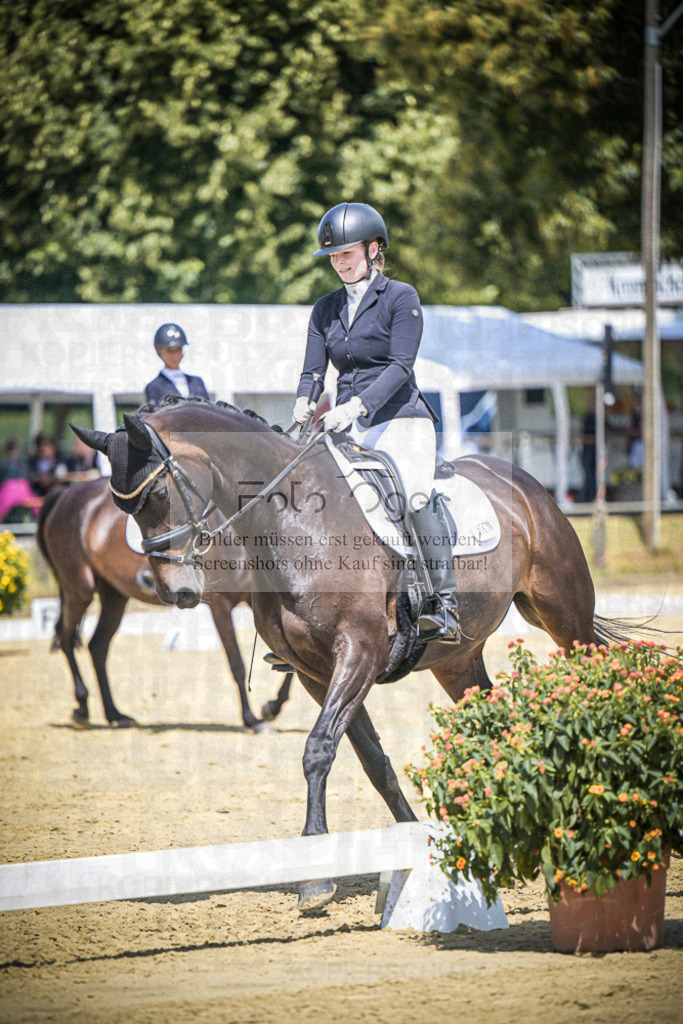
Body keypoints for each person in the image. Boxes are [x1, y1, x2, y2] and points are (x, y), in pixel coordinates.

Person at [292, 201, 458, 642]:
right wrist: (304, 404)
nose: (339, 262)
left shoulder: (402, 297)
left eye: (346, 253)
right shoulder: (324, 309)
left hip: (400, 418)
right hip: (345, 424)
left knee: (416, 498)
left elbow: (401, 366)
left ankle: (443, 604)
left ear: (373, 249)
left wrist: (356, 406)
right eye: (333, 256)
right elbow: (314, 371)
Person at [144, 323, 210, 406]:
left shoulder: (197, 382)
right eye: (169, 351)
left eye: (178, 350)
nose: (175, 355)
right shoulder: (154, 387)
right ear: (159, 351)